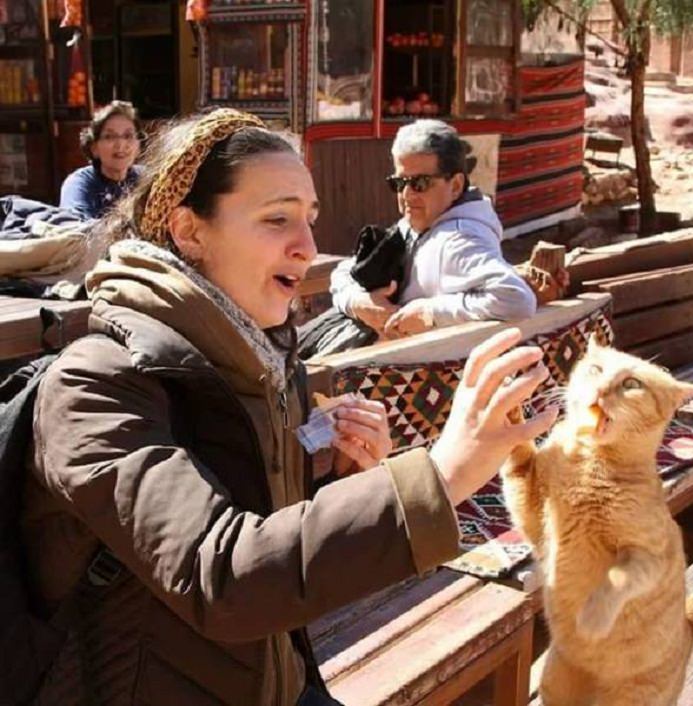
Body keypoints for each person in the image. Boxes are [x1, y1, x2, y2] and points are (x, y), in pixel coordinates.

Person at [22, 108, 557, 705]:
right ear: (189, 231)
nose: (307, 248)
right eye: (277, 219)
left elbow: (267, 522)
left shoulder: (266, 359)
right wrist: (442, 472)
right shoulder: (96, 384)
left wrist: (338, 476)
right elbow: (219, 575)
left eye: (310, 218)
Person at [330, 119, 537, 340]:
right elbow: (343, 273)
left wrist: (430, 312)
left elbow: (517, 299)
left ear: (456, 186)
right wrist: (359, 302)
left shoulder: (458, 239)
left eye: (420, 183)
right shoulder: (417, 225)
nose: (407, 194)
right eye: (399, 183)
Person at [59, 100, 143, 220]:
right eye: (110, 137)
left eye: (128, 136)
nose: (120, 145)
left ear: (138, 146)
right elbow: (76, 228)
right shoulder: (79, 184)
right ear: (94, 148)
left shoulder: (147, 179)